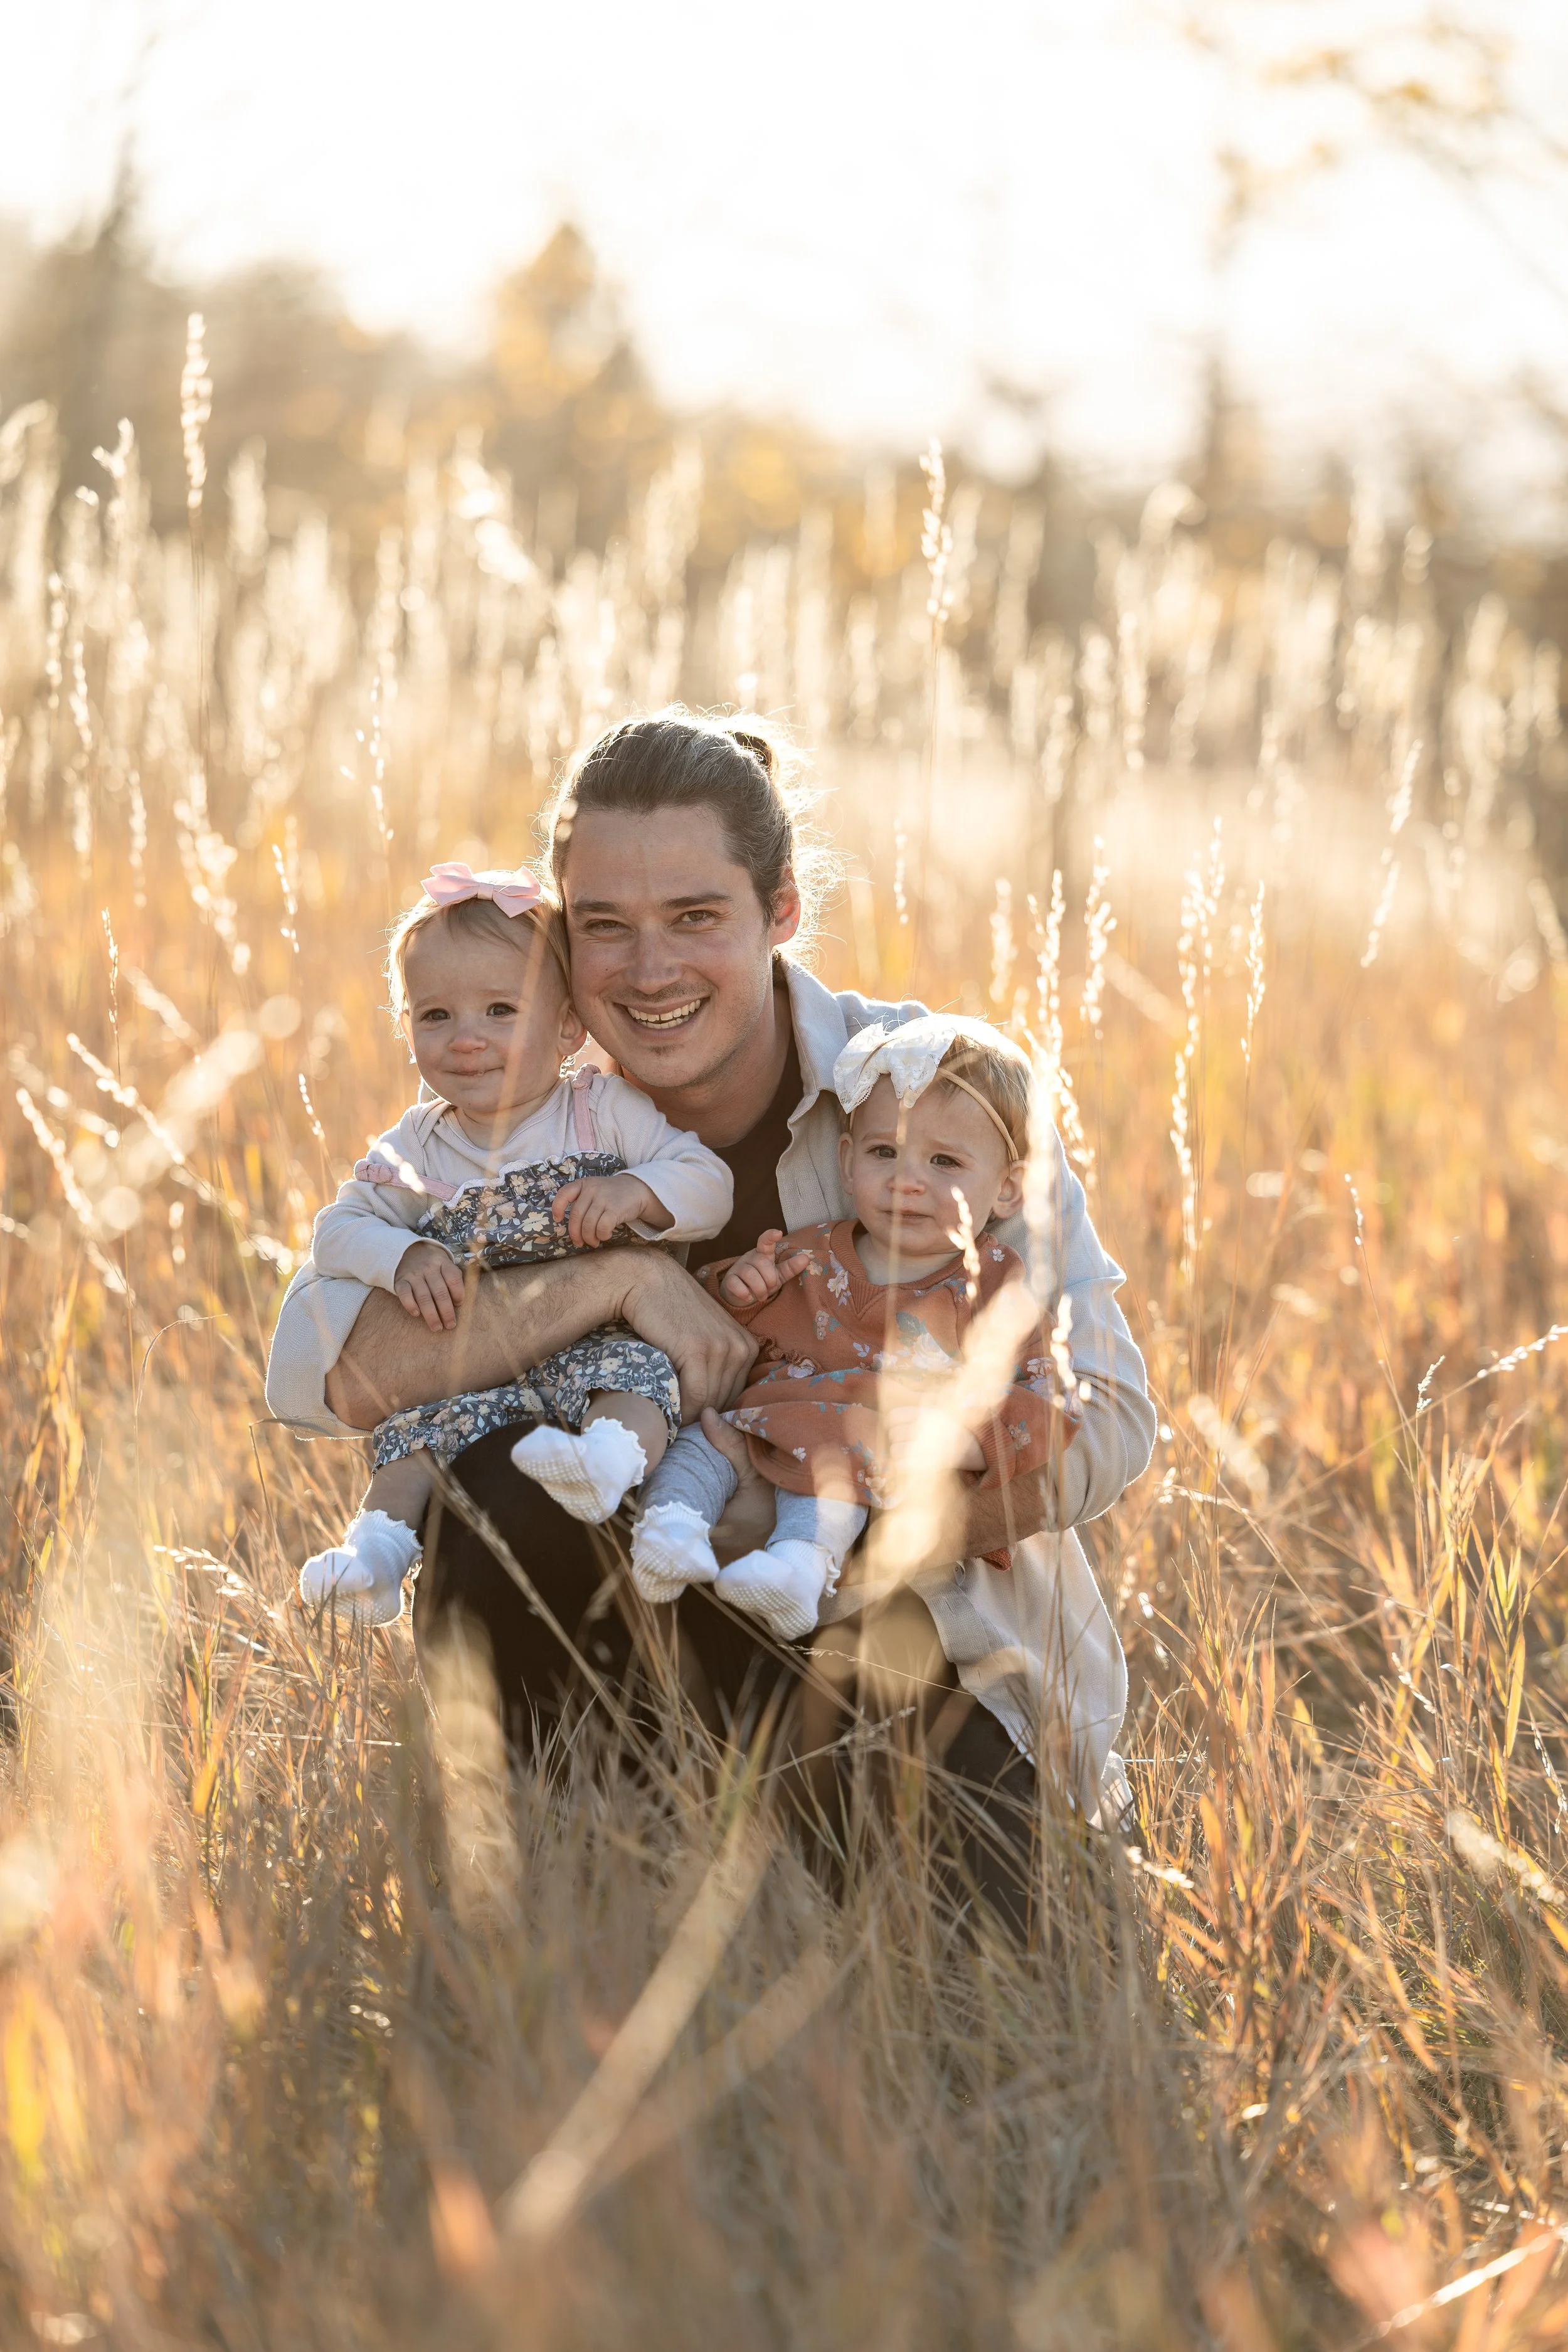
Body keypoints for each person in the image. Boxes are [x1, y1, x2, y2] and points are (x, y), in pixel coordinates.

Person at [264, 710, 1157, 1906]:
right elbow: (328, 1366)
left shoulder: (931, 1092)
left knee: (973, 1953)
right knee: (496, 1487)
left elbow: (1111, 1417)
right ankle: (575, 1897)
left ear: (781, 910)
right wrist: (620, 1279)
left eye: (695, 919)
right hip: (643, 1640)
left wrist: (813, 1519)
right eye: (604, 929)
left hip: (904, 1635)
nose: (649, 971)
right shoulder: (526, 1107)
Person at [295, 857, 733, 1624]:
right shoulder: (417, 1145)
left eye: (501, 1010)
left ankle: (608, 1462)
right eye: (435, 1017)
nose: (466, 1040)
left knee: (637, 1381)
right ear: (405, 1030)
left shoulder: (601, 1110)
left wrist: (638, 1192)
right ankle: (376, 1555)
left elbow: (707, 1181)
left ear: (567, 1027)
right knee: (413, 1441)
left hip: (598, 1351)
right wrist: (402, 1255)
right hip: (476, 1380)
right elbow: (337, 1228)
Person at [631, 1014, 1079, 1645]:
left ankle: (800, 1570)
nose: (907, 1180)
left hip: (859, 1452)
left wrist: (967, 1439)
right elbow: (708, 1337)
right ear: (847, 1163)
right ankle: (667, 1537)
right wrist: (740, 1290)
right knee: (695, 1453)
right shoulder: (810, 1253)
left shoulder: (997, 1289)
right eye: (883, 1153)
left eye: (944, 1161)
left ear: (1007, 1189)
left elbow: (1049, 1398)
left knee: (837, 1483)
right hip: (754, 1427)